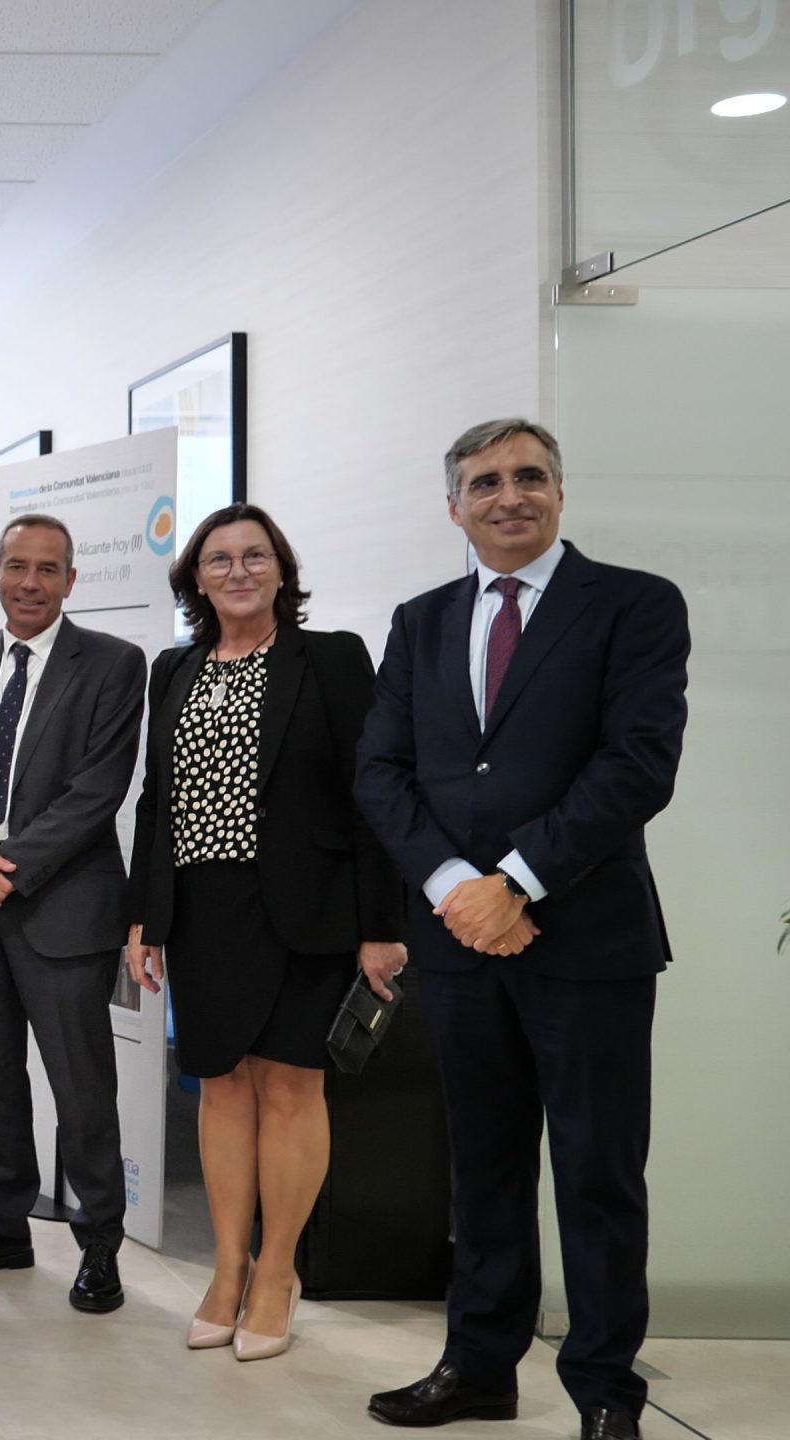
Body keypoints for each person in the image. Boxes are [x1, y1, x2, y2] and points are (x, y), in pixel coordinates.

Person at [354, 420, 687, 1440]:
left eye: (529, 476)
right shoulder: (420, 621)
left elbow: (637, 765)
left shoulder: (633, 604)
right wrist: (459, 886)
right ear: (453, 505)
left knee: (595, 1173)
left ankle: (605, 1391)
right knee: (485, 1168)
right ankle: (478, 1367)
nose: (510, 496)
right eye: (486, 481)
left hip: (587, 942)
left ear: (559, 491)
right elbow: (381, 770)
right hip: (459, 943)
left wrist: (519, 883)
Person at [121, 503, 407, 1361]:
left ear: (282, 570)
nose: (238, 571)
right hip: (203, 913)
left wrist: (382, 925)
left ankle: (277, 1273)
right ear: (196, 579)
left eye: (255, 556)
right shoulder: (174, 668)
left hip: (307, 910)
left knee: (288, 1089)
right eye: (219, 559)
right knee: (221, 1085)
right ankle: (228, 1268)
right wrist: (144, 915)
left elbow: (372, 792)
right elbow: (156, 799)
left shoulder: (332, 658)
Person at [0, 513, 146, 1313]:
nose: (31, 582)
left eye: (49, 569)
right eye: (17, 566)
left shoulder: (114, 664)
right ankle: (2, 1223)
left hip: (63, 905)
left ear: (72, 581)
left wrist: (4, 868)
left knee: (82, 1088)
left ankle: (99, 1242)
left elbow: (98, 790)